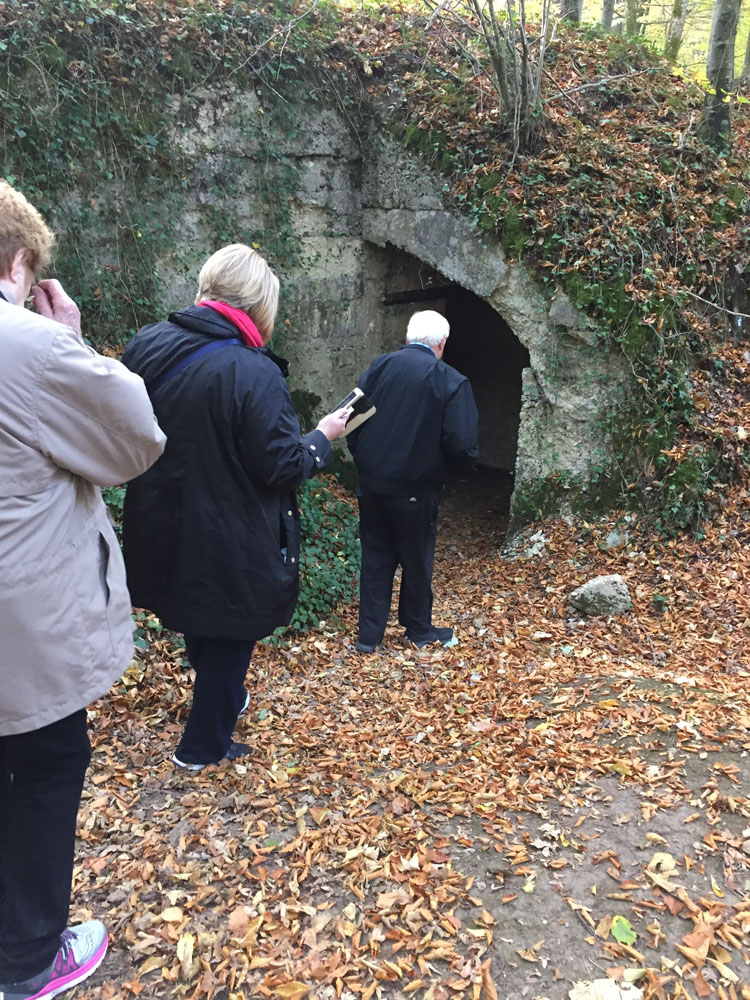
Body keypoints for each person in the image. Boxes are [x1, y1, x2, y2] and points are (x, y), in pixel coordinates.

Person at [0, 182, 167, 999]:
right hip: (17, 625)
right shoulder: (28, 341)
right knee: (43, 764)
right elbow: (132, 441)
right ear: (21, 260)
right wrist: (69, 339)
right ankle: (30, 957)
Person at [120, 244, 351, 771]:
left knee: (202, 609)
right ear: (259, 307)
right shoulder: (253, 370)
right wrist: (321, 438)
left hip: (162, 515)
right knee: (230, 628)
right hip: (230, 530)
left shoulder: (147, 345)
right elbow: (280, 466)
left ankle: (222, 699)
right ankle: (201, 747)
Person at [347, 310, 478, 653]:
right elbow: (464, 444)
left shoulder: (378, 368)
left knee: (375, 557)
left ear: (407, 338)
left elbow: (348, 421)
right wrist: (443, 474)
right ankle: (418, 629)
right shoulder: (449, 380)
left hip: (373, 486)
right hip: (416, 491)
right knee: (416, 558)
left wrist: (365, 461)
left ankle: (368, 637)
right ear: (443, 344)